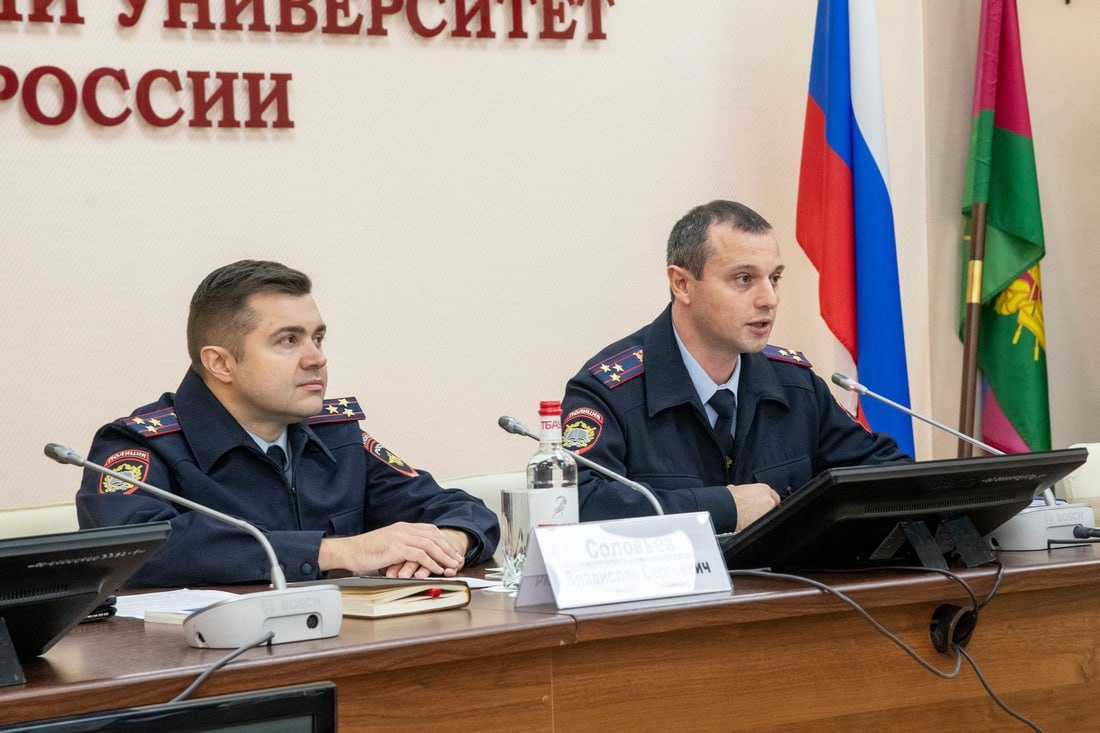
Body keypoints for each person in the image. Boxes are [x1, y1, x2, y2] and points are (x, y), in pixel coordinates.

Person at [76, 260, 499, 587]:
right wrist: (339, 552)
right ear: (220, 362)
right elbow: (132, 551)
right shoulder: (143, 445)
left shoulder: (335, 435)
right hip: (212, 661)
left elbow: (460, 510)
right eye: (288, 340)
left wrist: (446, 543)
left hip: (342, 647)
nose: (316, 358)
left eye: (318, 337)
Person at [561, 200, 911, 534]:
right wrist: (724, 508)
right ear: (682, 284)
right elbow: (577, 503)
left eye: (774, 278)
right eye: (744, 279)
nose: (768, 299)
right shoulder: (610, 392)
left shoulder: (794, 383)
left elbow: (887, 476)